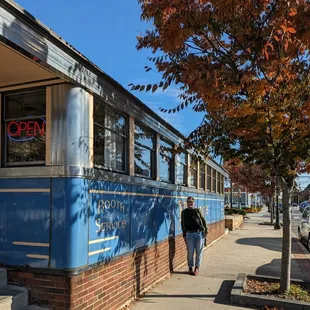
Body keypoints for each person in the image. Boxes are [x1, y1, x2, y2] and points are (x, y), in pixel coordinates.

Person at [181, 196, 208, 276]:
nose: (190, 203)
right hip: (189, 234)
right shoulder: (184, 212)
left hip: (199, 234)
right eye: (188, 202)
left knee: (199, 252)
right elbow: (183, 223)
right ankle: (190, 267)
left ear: (193, 202)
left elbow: (203, 220)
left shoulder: (197, 211)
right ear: (187, 203)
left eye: (191, 202)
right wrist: (184, 234)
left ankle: (197, 267)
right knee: (190, 252)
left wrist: (205, 230)